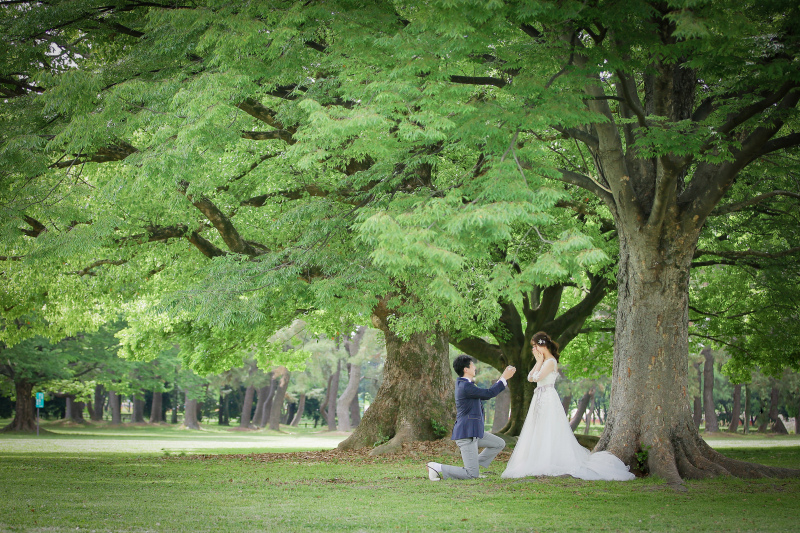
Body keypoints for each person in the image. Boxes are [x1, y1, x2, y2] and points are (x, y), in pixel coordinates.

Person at [501, 332, 635, 481]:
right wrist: (538, 362)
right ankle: (536, 458)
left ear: (542, 345)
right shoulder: (543, 361)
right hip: (539, 397)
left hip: (547, 397)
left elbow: (537, 377)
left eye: (535, 346)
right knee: (537, 427)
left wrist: (538, 363)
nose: (534, 350)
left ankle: (549, 460)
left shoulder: (550, 361)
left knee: (548, 427)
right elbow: (529, 377)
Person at [426, 355, 516, 481]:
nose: (475, 367)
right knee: (471, 475)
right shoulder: (465, 386)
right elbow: (488, 394)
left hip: (475, 432)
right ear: (466, 369)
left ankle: (473, 465)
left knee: (499, 443)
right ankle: (436, 467)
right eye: (472, 365)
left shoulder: (466, 384)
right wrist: (504, 378)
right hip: (466, 434)